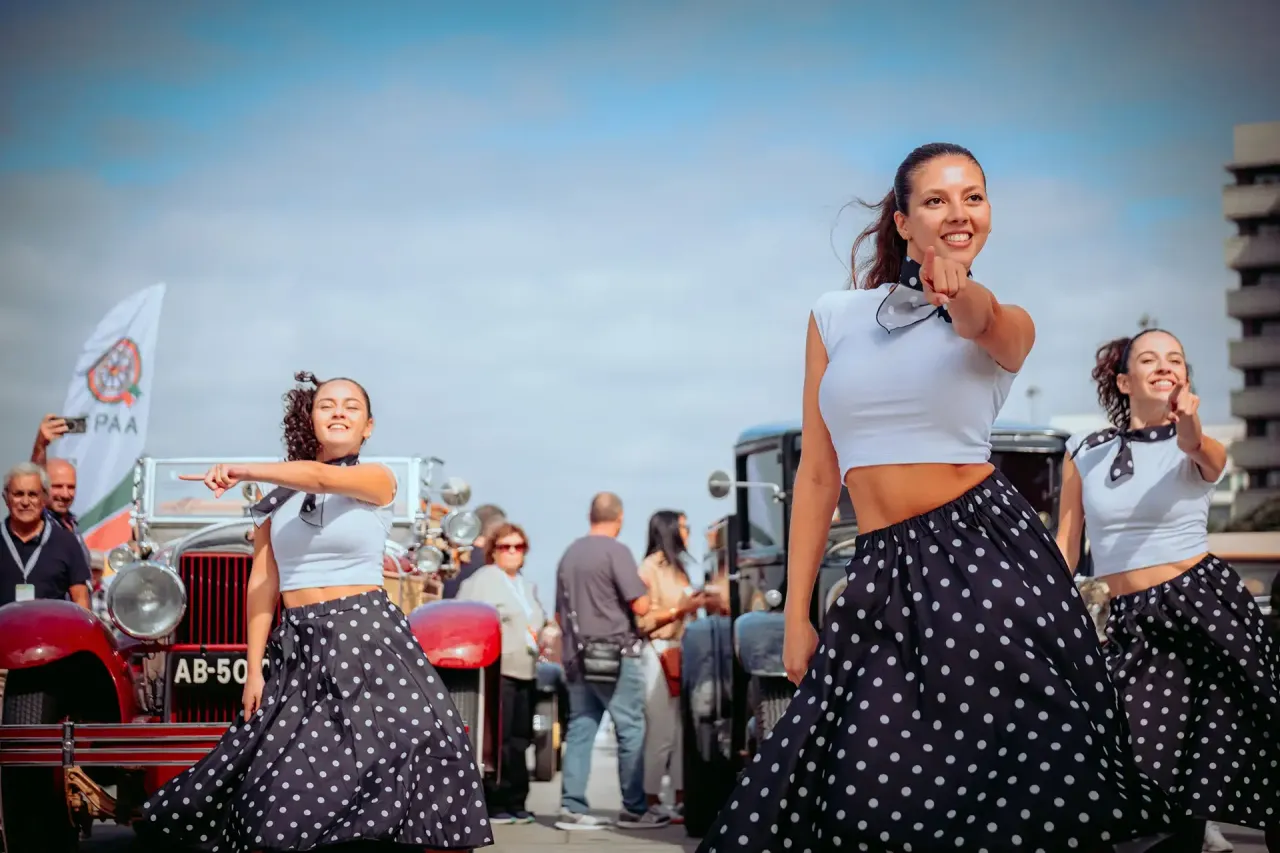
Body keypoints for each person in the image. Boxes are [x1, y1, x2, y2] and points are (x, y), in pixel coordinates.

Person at [695, 142, 1176, 853]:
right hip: (880, 568)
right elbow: (819, 475)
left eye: (973, 197)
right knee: (857, 787)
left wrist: (957, 290)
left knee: (1012, 789)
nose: (958, 212)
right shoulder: (834, 316)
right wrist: (796, 614)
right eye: (937, 200)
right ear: (902, 220)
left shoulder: (1007, 319)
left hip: (985, 560)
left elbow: (988, 324)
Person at [135, 372, 492, 852]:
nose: (339, 411)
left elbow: (323, 477)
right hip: (299, 645)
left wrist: (242, 470)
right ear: (311, 418)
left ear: (368, 426)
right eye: (326, 405)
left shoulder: (377, 478)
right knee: (281, 782)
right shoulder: (276, 501)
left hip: (367, 637)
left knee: (420, 748)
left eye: (351, 406)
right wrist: (253, 669)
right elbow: (262, 584)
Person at [1055, 329, 1280, 853]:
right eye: (1150, 359)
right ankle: (1188, 833)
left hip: (1199, 610)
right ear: (1123, 382)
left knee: (1239, 748)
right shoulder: (1085, 450)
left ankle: (1196, 830)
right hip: (1127, 620)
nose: (1164, 366)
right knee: (1130, 757)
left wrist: (1188, 419)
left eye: (1175, 360)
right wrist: (1047, 615)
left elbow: (1200, 450)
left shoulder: (1192, 443)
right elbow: (1067, 545)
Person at [553, 492, 670, 831]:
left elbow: (559, 615)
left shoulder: (569, 554)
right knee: (630, 728)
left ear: (590, 516)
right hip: (615, 656)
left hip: (577, 656)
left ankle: (572, 807)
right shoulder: (616, 552)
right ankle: (634, 808)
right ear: (619, 518)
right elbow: (640, 605)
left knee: (581, 727)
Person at [457, 521, 546, 825]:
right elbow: (466, 618)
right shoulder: (483, 581)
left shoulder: (525, 585)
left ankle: (517, 799)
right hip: (498, 668)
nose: (512, 552)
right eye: (505, 546)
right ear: (493, 551)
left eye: (518, 547)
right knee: (499, 739)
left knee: (521, 737)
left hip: (526, 668)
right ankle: (495, 800)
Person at [635, 509, 704, 822]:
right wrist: (680, 610)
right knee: (661, 731)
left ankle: (679, 797)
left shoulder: (680, 567)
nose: (688, 532)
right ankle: (651, 799)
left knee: (680, 733)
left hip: (681, 651)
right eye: (684, 526)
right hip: (658, 651)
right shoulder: (650, 567)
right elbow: (643, 621)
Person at [1, 462, 91, 610]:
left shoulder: (67, 542)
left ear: (44, 499)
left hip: (53, 625)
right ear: (6, 498)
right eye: (18, 494)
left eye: (32, 494)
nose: (25, 502)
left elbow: (81, 601)